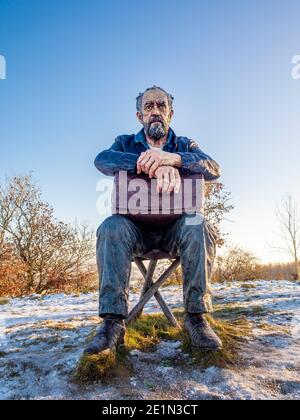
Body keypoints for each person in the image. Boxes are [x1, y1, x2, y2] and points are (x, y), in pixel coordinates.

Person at [85, 86, 222, 355]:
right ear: (140, 116)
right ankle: (113, 323)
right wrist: (149, 162)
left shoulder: (184, 144)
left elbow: (213, 168)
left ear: (170, 113)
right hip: (134, 231)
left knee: (199, 224)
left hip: (176, 231)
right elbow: (102, 160)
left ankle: (196, 319)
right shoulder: (124, 142)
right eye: (149, 107)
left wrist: (174, 159)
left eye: (161, 105)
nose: (155, 111)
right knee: (110, 226)